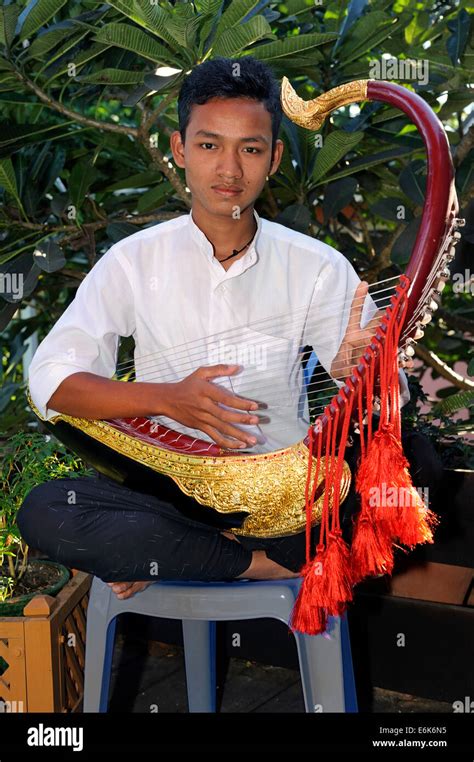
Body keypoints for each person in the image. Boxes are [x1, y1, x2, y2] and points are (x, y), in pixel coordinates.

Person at [18, 57, 411, 601]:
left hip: (286, 501)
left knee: (406, 471)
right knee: (45, 511)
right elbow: (51, 382)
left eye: (249, 149)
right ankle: (258, 567)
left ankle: (179, 556)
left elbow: (390, 398)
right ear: (180, 149)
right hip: (171, 491)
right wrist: (169, 400)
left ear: (273, 158)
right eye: (209, 146)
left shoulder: (317, 266)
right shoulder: (133, 261)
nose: (229, 170)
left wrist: (357, 371)